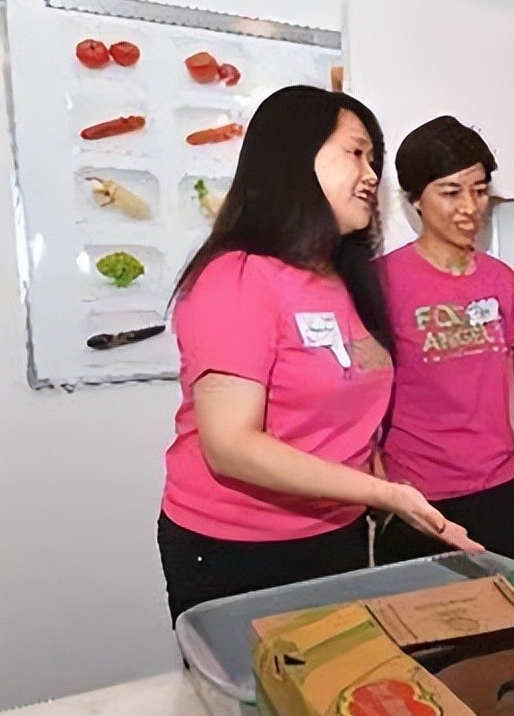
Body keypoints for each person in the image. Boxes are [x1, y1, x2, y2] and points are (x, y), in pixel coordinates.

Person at [158, 86, 481, 625]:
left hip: (337, 534)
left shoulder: (343, 279)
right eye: (355, 153)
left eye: (373, 160)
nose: (372, 175)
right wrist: (387, 494)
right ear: (293, 156)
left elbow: (348, 418)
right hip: (238, 547)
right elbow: (231, 447)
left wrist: (378, 497)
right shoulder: (236, 277)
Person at [374, 116, 514, 563]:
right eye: (450, 192)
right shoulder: (381, 282)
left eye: (480, 190)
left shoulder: (502, 280)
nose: (470, 206)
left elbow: (507, 383)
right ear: (414, 200)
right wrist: (381, 490)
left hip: (502, 489)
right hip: (418, 495)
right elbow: (363, 398)